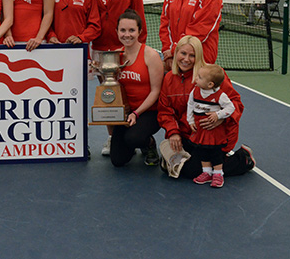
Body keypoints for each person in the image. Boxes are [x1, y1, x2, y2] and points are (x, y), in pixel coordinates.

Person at [158, 35, 255, 179]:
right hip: (187, 135)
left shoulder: (211, 76)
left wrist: (220, 118)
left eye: (192, 55)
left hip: (213, 137)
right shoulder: (169, 79)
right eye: (183, 53)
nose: (186, 59)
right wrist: (173, 132)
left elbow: (236, 104)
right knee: (168, 167)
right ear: (176, 53)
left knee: (192, 170)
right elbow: (165, 111)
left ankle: (242, 159)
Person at [86, 0, 147, 156]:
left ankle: (140, 138)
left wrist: (139, 48)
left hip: (126, 50)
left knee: (130, 96)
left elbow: (139, 16)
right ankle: (113, 139)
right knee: (108, 96)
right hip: (101, 52)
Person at [109, 10, 163, 167]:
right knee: (117, 161)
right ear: (117, 32)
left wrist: (136, 113)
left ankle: (149, 143)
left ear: (140, 31)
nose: (127, 35)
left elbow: (156, 91)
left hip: (149, 112)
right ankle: (131, 144)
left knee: (134, 138)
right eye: (123, 30)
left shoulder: (150, 56)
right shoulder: (114, 56)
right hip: (126, 112)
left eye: (132, 30)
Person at [187, 64, 236, 188]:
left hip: (214, 130)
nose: (196, 79)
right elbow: (190, 105)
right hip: (200, 129)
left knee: (215, 152)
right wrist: (190, 121)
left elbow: (231, 107)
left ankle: (218, 174)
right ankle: (207, 172)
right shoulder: (195, 91)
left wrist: (218, 115)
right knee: (201, 150)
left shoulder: (220, 95)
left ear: (210, 84)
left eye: (199, 77)